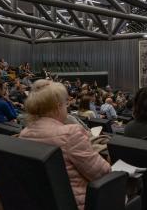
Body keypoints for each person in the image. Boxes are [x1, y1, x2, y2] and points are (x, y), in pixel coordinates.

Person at [19, 80, 110, 210]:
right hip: (82, 203)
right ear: (57, 107)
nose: (66, 107)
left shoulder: (24, 133)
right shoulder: (70, 133)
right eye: (65, 104)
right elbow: (102, 173)